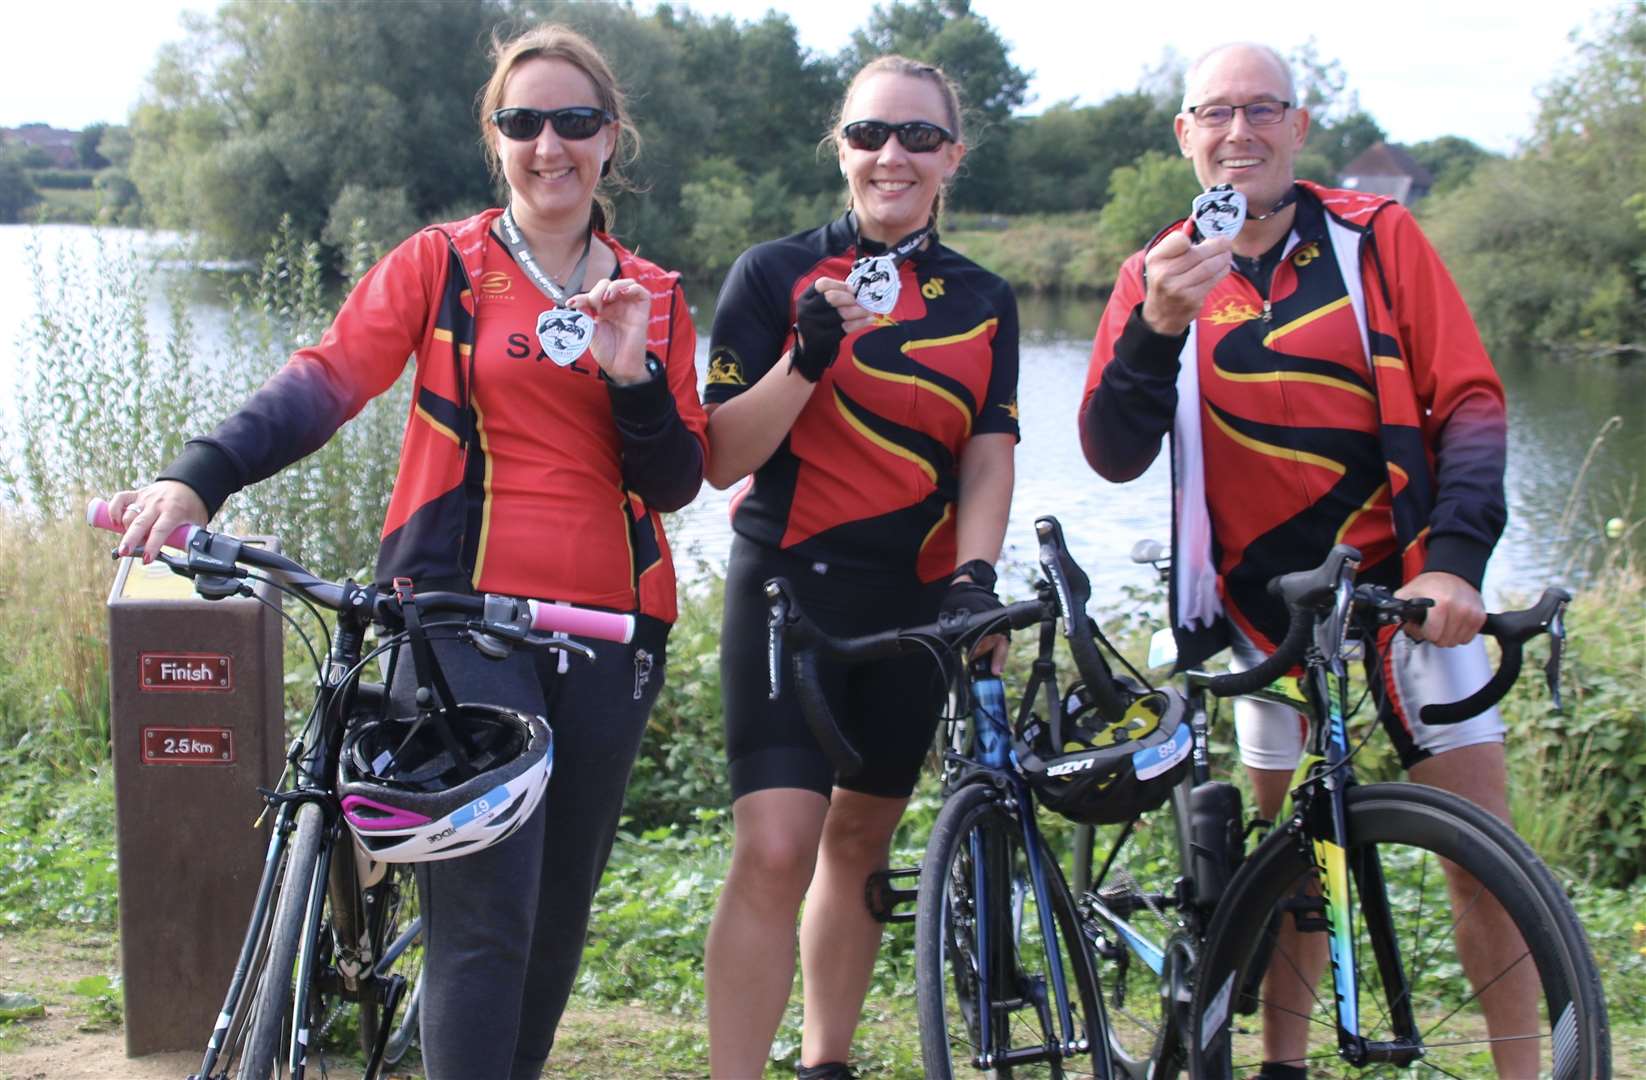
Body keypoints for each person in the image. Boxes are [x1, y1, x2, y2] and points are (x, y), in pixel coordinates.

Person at [109, 24, 707, 1080]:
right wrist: (196, 474)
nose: (549, 145)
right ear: (495, 137)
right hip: (455, 621)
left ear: (612, 140)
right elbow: (323, 381)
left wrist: (631, 374)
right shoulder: (442, 266)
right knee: (483, 915)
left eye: (575, 121)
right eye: (523, 122)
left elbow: (672, 482)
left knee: (551, 921)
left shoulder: (651, 295)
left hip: (611, 633)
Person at [1079, 42, 1531, 1079]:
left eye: (1261, 112)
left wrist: (1454, 565)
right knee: (1286, 861)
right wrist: (1154, 327)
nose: (1238, 134)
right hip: (1254, 608)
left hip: (1403, 587)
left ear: (1298, 127)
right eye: (1214, 114)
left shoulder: (1377, 237)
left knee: (1483, 861)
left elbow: (1467, 401)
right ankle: (1282, 1062)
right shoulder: (1153, 269)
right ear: (1183, 133)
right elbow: (1107, 452)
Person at [700, 56, 1019, 1080]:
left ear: (950, 158)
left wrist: (975, 580)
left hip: (918, 604)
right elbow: (717, 458)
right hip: (788, 589)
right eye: (869, 135)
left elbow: (987, 451)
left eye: (918, 137)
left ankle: (824, 1063)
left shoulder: (983, 298)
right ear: (839, 148)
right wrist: (807, 355)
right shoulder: (771, 274)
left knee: (859, 845)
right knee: (779, 847)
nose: (892, 155)